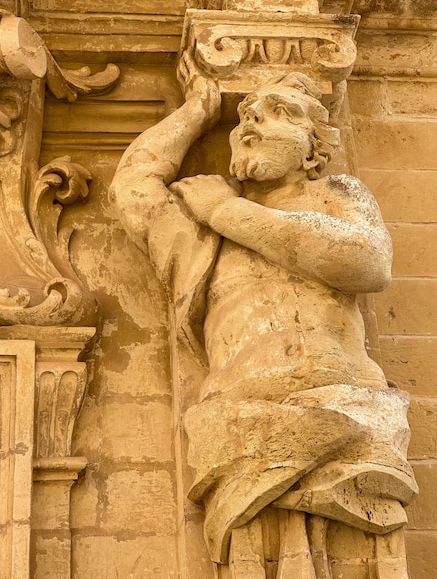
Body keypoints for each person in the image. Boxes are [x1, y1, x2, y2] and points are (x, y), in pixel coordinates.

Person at [110, 54, 417, 577]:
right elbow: (133, 188)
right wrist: (197, 110)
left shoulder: (335, 196)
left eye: (278, 112)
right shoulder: (197, 239)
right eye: (246, 115)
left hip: (345, 411)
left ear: (314, 151)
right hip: (244, 425)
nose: (250, 122)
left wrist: (224, 211)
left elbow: (365, 263)